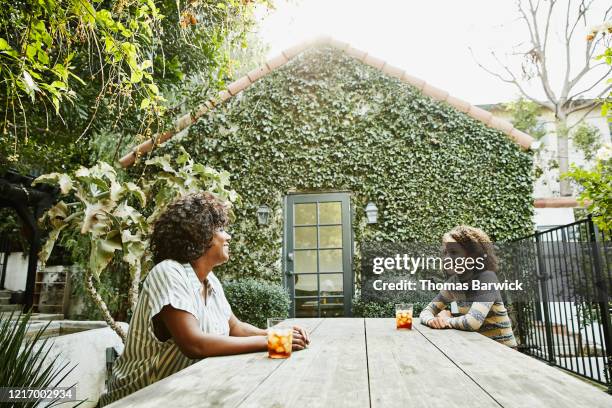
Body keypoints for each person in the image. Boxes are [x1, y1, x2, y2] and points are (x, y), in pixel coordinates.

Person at [99, 192, 310, 405]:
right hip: (140, 399)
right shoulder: (169, 273)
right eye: (219, 230)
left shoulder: (209, 280)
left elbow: (235, 327)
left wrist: (276, 333)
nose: (227, 236)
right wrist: (272, 342)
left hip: (186, 393)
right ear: (197, 235)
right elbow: (194, 344)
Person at [419, 225, 517, 347]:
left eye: (454, 252)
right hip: (478, 348)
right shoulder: (453, 283)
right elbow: (426, 311)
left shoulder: (487, 278)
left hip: (504, 353)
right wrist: (432, 320)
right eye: (446, 253)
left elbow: (473, 321)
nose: (447, 258)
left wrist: (445, 321)